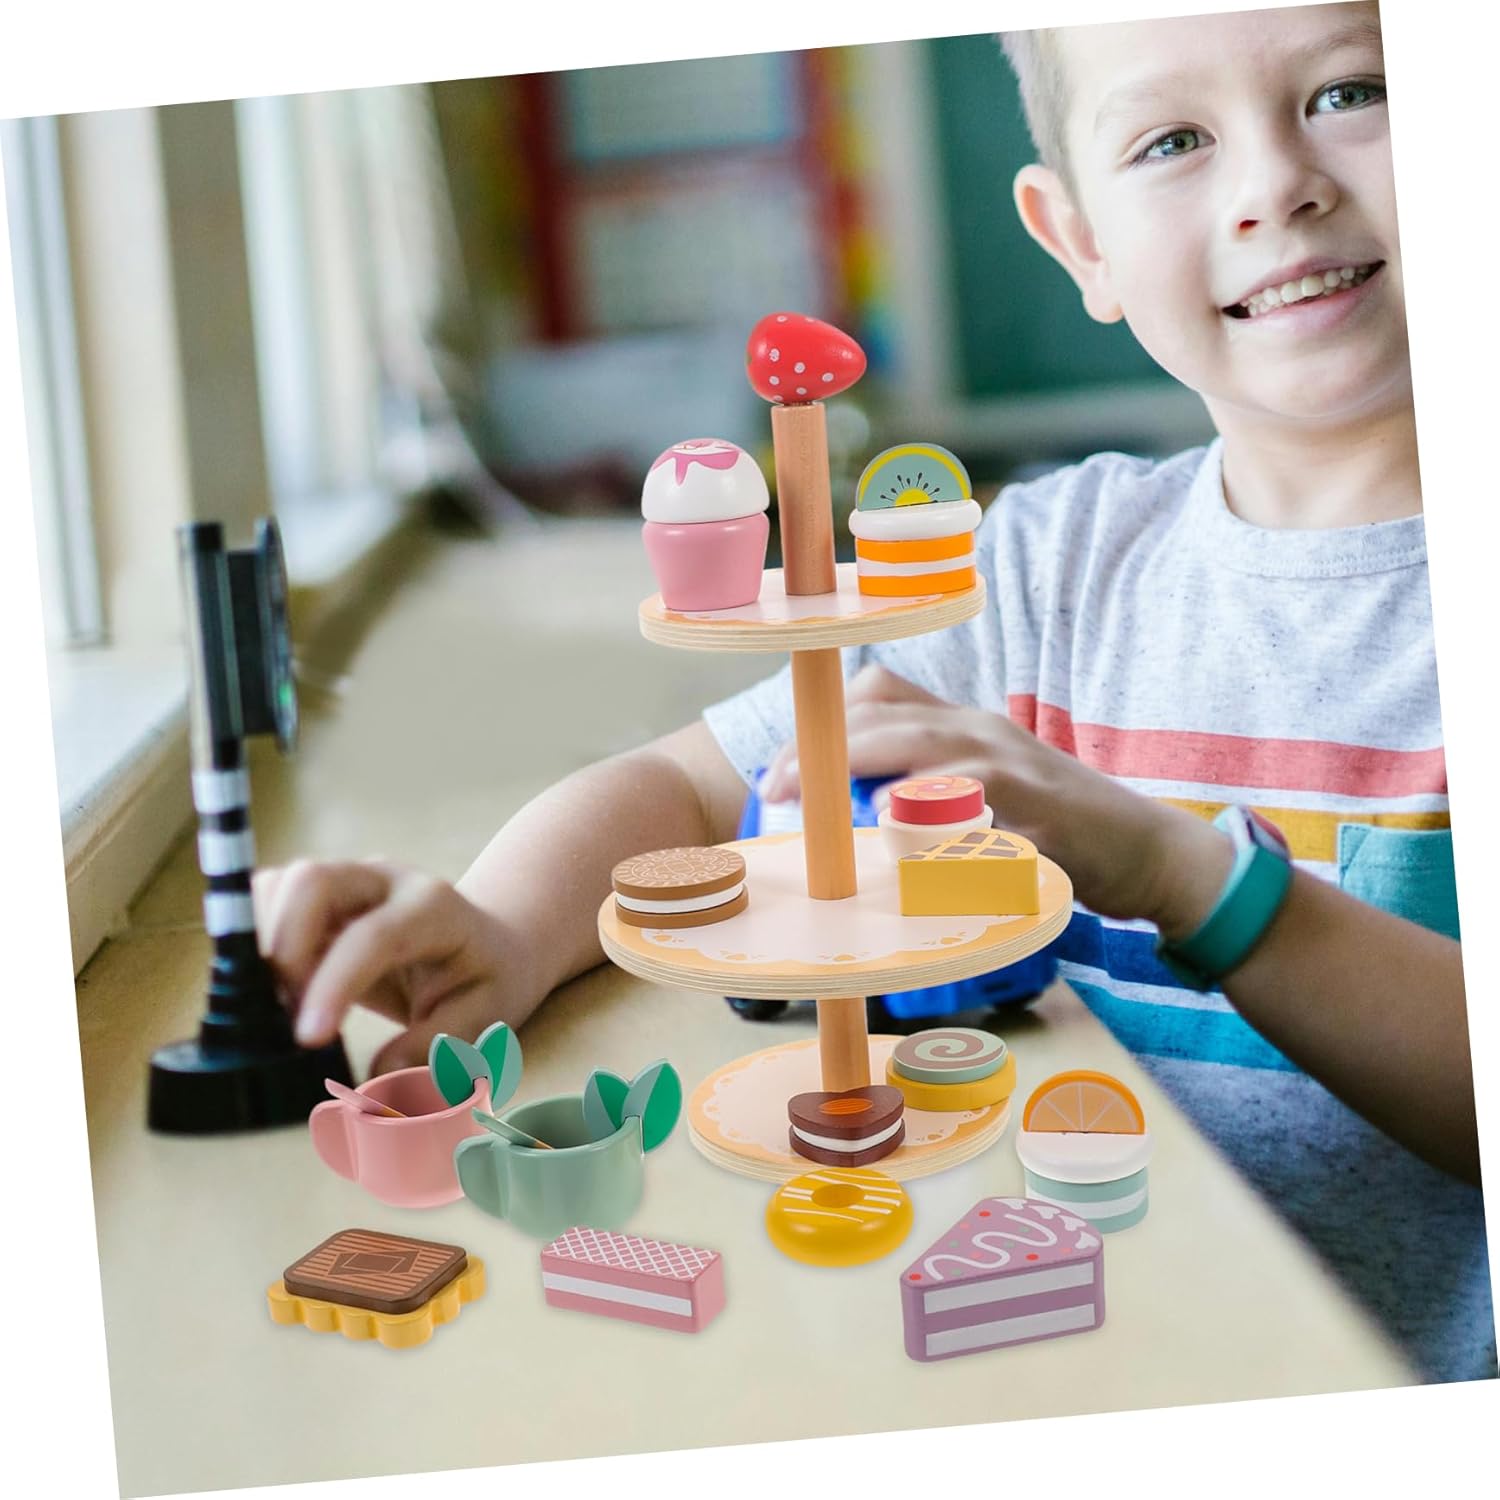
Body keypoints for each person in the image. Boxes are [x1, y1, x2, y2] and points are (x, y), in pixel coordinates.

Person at [253, 3, 1493, 1380]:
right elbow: (688, 792)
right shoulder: (1046, 565)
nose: (1274, 186)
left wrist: (1183, 877)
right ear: (1079, 242)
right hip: (1076, 1363)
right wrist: (502, 929)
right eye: (1172, 140)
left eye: (1350, 93)